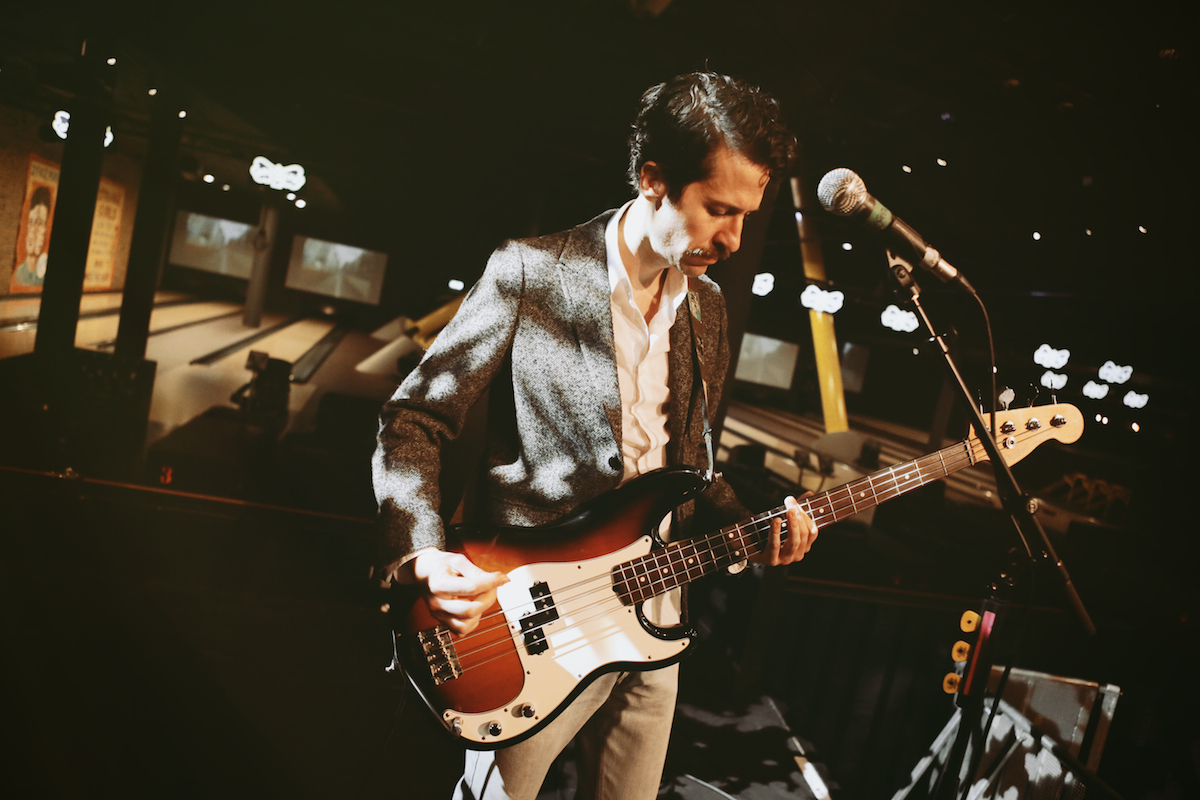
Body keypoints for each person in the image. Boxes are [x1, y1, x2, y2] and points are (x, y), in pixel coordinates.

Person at [371, 71, 820, 800]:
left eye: (746, 215)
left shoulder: (706, 309)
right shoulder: (532, 273)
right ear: (652, 180)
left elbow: (694, 470)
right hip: (534, 624)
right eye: (718, 210)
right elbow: (414, 418)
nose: (734, 238)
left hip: (656, 616)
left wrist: (756, 527)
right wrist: (419, 551)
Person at [11, 185, 53, 289]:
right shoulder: (18, 274)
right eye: (32, 222)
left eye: (40, 223)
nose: (34, 230)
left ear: (46, 229)